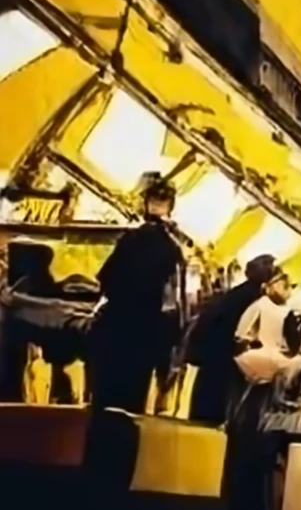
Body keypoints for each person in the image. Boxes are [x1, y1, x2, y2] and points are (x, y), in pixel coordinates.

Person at [90, 178, 184, 413]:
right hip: (145, 334)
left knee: (103, 400)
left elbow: (105, 281)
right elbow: (173, 301)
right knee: (131, 405)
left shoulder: (129, 240)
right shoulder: (173, 249)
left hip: (115, 329)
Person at [187, 254, 276, 424]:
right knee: (218, 396)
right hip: (226, 353)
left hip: (215, 352)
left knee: (208, 392)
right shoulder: (252, 297)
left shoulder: (237, 293)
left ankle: (203, 420)